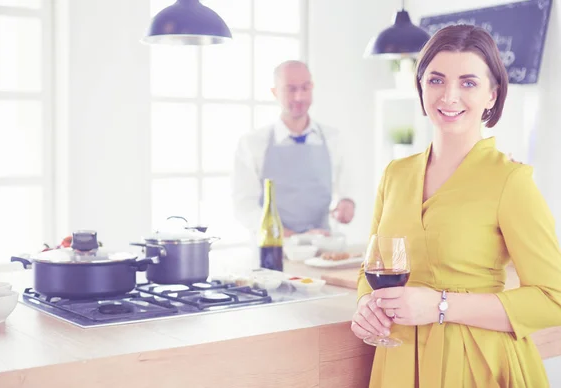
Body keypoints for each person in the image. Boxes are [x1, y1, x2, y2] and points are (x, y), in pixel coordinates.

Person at [351, 24, 561, 387]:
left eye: (468, 82)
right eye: (435, 80)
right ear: (420, 86)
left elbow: (552, 299)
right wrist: (365, 307)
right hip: (398, 362)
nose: (449, 96)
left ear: (492, 96)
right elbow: (370, 270)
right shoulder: (395, 174)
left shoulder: (510, 181)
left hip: (474, 362)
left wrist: (439, 305)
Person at [232, 60, 356, 238]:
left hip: (322, 248)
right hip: (271, 248)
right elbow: (244, 206)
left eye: (305, 88)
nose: (299, 97)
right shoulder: (252, 144)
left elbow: (347, 188)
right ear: (274, 92)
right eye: (291, 89)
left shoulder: (333, 139)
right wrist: (285, 234)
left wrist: (347, 203)